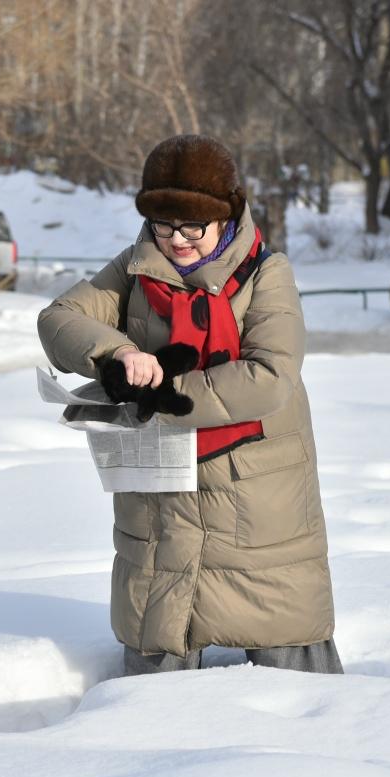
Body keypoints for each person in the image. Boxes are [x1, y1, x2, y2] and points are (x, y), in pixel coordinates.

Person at [37, 135, 342, 677]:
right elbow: (59, 318)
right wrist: (119, 351)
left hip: (255, 494)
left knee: (287, 653)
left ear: (224, 216)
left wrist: (163, 396)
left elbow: (270, 377)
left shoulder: (269, 273)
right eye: (163, 224)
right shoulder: (135, 267)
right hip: (162, 491)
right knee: (160, 642)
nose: (176, 240)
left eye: (191, 227)